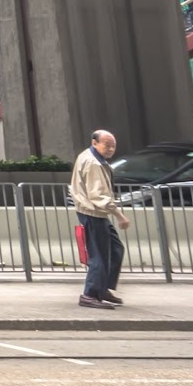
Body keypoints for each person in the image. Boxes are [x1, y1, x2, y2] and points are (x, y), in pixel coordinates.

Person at [72, 129, 129, 309]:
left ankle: (102, 288)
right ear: (94, 143)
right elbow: (98, 195)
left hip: (96, 213)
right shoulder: (93, 163)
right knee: (99, 255)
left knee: (115, 249)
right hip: (92, 212)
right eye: (107, 145)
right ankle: (89, 294)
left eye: (113, 146)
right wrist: (119, 215)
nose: (111, 149)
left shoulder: (92, 157)